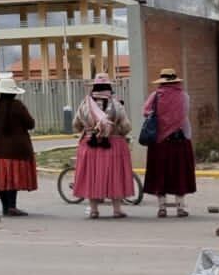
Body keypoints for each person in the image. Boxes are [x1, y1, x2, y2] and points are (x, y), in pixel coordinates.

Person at [71, 72, 134, 219]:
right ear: (109, 88)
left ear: (94, 88)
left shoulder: (85, 104)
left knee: (92, 175)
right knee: (115, 176)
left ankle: (94, 210)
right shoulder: (116, 105)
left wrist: (90, 129)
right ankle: (117, 209)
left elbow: (75, 125)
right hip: (113, 145)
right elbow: (126, 127)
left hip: (89, 145)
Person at [0, 77, 36, 217]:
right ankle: (12, 206)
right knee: (12, 179)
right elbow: (30, 124)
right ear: (14, 93)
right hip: (16, 150)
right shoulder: (18, 106)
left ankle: (5, 207)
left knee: (1, 180)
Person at [141, 68, 196, 218]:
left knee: (160, 174)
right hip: (179, 140)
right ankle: (180, 207)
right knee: (180, 174)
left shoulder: (155, 96)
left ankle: (162, 208)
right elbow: (185, 114)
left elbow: (145, 112)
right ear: (176, 81)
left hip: (159, 142)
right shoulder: (184, 96)